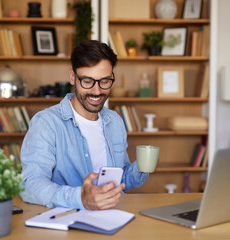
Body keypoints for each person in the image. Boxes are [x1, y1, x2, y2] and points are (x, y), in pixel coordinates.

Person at [20, 40, 148, 210]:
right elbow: (30, 184)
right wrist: (80, 198)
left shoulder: (115, 121)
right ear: (72, 77)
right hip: (66, 222)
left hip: (112, 217)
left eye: (104, 81)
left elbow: (119, 180)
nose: (97, 91)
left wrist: (143, 167)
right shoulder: (46, 123)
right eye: (87, 81)